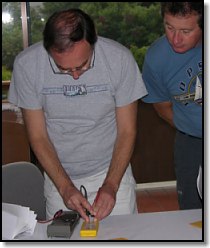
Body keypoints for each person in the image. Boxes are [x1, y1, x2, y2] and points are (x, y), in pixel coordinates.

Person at [8, 8, 147, 221]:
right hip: (58, 178)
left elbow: (127, 131)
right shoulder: (27, 65)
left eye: (82, 66)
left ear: (93, 41)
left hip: (112, 172)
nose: (74, 76)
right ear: (48, 49)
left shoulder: (119, 59)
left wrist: (111, 185)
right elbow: (38, 136)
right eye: (63, 69)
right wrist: (64, 188)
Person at [142, 2, 202, 210]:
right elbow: (162, 106)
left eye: (186, 31)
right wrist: (193, 128)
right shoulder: (156, 57)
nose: (175, 39)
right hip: (191, 143)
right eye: (169, 27)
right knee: (192, 210)